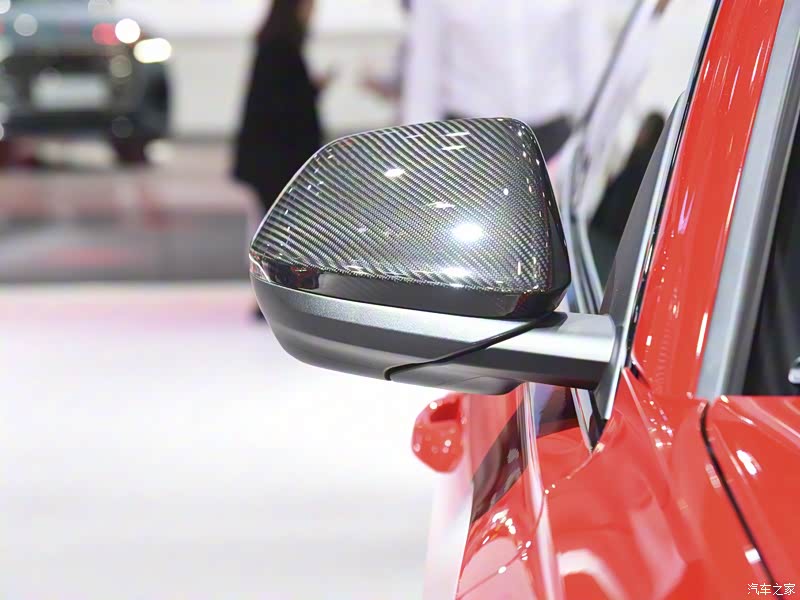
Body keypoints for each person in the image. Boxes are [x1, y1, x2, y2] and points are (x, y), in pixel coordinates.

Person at [402, 0, 608, 160]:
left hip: (552, 140)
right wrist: (418, 155)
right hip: (468, 141)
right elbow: (423, 75)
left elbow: (591, 64)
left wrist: (595, 150)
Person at [233, 0, 322, 217]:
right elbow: (286, 104)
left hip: (272, 156)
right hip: (278, 157)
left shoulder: (275, 45)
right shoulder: (281, 48)